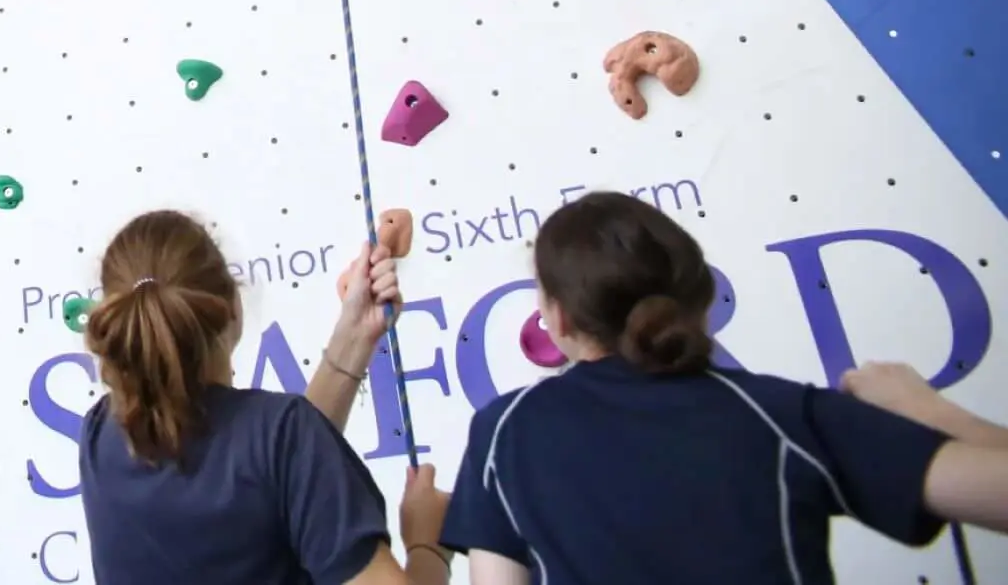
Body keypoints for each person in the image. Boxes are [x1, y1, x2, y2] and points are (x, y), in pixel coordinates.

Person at [441, 190, 1008, 582]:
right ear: (702, 297)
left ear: (558, 319)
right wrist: (930, 411)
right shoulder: (779, 416)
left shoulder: (501, 433)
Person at [78, 208, 452, 584]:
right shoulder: (284, 435)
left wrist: (354, 335)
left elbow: (274, 471)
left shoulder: (100, 435)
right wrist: (428, 546)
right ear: (234, 309)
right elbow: (277, 460)